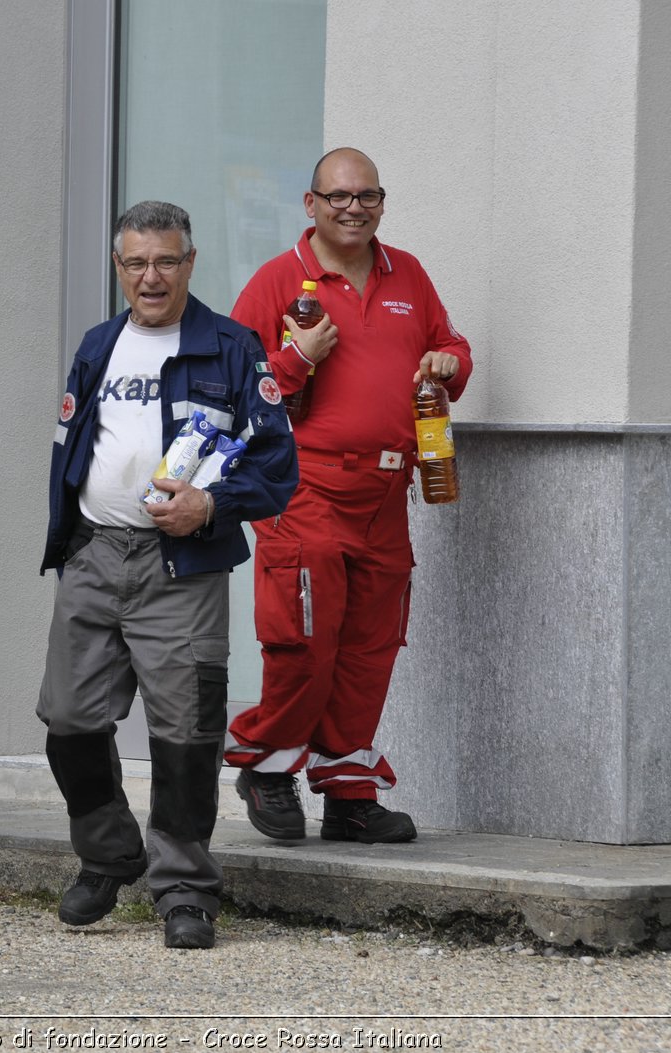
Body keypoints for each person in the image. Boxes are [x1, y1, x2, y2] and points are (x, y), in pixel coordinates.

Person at [37, 200, 298, 949]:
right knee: (68, 722)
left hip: (178, 565)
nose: (150, 276)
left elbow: (279, 465)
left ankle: (184, 887)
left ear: (190, 263)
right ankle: (109, 851)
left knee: (185, 736)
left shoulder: (231, 346)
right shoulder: (97, 345)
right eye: (135, 262)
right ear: (118, 267)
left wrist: (211, 503)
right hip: (93, 553)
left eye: (165, 261)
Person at [224, 147, 473, 844]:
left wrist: (453, 360)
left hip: (390, 489)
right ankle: (267, 768)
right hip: (303, 486)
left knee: (370, 645)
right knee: (304, 636)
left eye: (366, 195)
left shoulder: (408, 274)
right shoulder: (280, 281)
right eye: (338, 196)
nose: (353, 207)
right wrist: (298, 357)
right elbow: (235, 390)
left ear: (382, 203)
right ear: (311, 204)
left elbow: (448, 341)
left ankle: (348, 792)